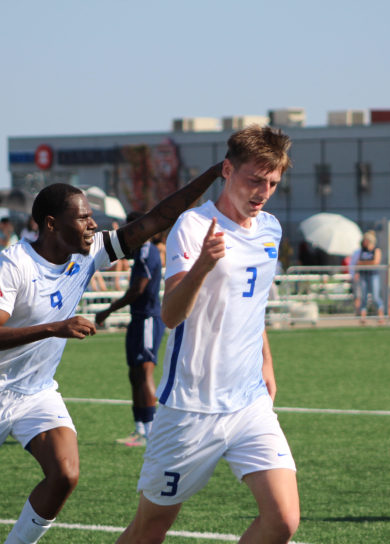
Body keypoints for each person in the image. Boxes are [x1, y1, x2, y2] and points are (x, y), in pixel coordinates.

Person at [0, 163, 222, 544]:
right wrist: (55, 327)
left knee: (65, 474)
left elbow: (155, 219)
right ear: (51, 224)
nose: (93, 225)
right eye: (83, 218)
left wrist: (214, 173)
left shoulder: (89, 252)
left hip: (38, 394)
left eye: (92, 218)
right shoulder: (12, 264)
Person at [116, 125, 299, 544]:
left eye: (272, 183)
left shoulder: (270, 229)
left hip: (249, 403)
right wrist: (201, 265)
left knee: (283, 519)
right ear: (228, 170)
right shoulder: (193, 225)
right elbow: (171, 314)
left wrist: (267, 362)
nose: (263, 191)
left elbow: (253, 307)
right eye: (255, 180)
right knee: (151, 527)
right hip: (190, 407)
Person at [95, 211, 164, 448]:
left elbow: (138, 290)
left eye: (130, 227)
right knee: (134, 374)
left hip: (147, 319)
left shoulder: (147, 251)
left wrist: (109, 309)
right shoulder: (141, 252)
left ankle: (151, 431)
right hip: (138, 319)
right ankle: (140, 428)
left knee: (144, 373)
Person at [352, 230, 384, 324]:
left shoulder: (376, 250)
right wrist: (362, 266)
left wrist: (363, 263)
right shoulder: (362, 251)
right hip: (363, 275)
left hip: (373, 275)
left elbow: (375, 262)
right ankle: (363, 318)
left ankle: (381, 316)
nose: (364, 242)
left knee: (375, 297)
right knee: (363, 297)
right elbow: (358, 263)